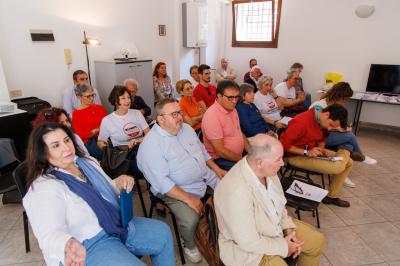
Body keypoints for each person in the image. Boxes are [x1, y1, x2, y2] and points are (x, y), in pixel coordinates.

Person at [23, 123, 175, 266]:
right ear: (43, 153)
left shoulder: (86, 162)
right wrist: (67, 243)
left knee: (163, 233)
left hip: (116, 222)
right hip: (89, 243)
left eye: (67, 140)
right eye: (56, 145)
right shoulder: (44, 187)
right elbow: (48, 234)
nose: (66, 148)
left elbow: (108, 187)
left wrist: (120, 181)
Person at [137, 98, 226, 263]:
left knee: (229, 195)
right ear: (161, 119)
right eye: (174, 114)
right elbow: (163, 183)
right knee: (191, 219)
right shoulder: (151, 145)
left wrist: (217, 169)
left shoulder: (186, 129)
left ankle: (221, 231)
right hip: (176, 190)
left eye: (180, 112)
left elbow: (203, 152)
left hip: (204, 178)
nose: (180, 117)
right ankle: (189, 243)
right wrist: (190, 200)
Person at [214, 134, 325, 266]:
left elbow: (280, 204)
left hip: (273, 227)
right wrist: (285, 247)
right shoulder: (236, 191)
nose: (282, 163)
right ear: (260, 162)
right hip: (248, 252)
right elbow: (248, 242)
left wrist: (288, 229)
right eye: (278, 159)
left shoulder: (268, 171)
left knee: (317, 241)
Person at [280, 104, 353, 207]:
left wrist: (321, 149)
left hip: (312, 150)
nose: (329, 129)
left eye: (333, 127)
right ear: (327, 114)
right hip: (295, 156)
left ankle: (331, 197)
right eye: (331, 125)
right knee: (338, 166)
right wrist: (306, 152)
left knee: (349, 163)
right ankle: (345, 151)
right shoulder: (301, 121)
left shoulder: (320, 119)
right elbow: (283, 144)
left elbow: (322, 139)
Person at [310, 82, 377, 188]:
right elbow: (315, 127)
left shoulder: (335, 107)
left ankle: (341, 171)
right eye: (345, 99)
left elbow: (337, 123)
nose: (345, 102)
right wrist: (339, 129)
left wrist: (343, 128)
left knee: (348, 145)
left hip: (328, 134)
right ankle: (361, 156)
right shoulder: (319, 105)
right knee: (350, 137)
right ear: (339, 96)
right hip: (317, 137)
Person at [98, 85, 149, 178]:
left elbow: (149, 134)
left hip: (142, 149)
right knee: (148, 165)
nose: (128, 101)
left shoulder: (136, 113)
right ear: (115, 101)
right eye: (123, 98)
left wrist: (137, 141)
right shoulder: (107, 120)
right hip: (124, 156)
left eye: (128, 97)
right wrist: (108, 149)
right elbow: (101, 142)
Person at [202, 80, 249, 171]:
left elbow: (239, 132)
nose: (234, 101)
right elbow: (220, 151)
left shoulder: (232, 109)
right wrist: (243, 160)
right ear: (219, 96)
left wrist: (251, 151)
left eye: (237, 97)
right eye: (230, 97)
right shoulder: (212, 116)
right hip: (221, 160)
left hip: (237, 155)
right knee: (252, 173)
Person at [72, 83, 107, 159]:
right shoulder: (76, 114)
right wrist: (96, 131)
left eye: (92, 95)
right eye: (88, 96)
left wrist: (96, 131)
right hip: (90, 142)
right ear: (78, 97)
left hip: (105, 137)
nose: (91, 98)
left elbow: (109, 124)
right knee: (107, 152)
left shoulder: (100, 108)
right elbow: (80, 134)